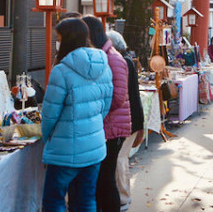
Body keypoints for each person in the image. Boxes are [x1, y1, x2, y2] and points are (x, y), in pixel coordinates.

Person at [42, 18, 113, 212]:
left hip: (65, 150)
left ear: (67, 39)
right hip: (95, 146)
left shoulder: (61, 71)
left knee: (53, 201)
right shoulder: (104, 67)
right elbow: (105, 107)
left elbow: (49, 115)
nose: (57, 41)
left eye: (58, 38)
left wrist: (47, 138)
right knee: (86, 200)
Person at [82, 16, 131, 212]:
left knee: (105, 180)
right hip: (107, 125)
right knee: (101, 180)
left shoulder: (112, 58)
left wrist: (92, 106)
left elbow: (118, 97)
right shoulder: (102, 55)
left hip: (111, 127)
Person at [106, 30, 145, 211]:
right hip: (132, 118)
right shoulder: (127, 60)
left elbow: (127, 95)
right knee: (121, 159)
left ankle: (123, 198)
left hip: (128, 119)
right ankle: (123, 196)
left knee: (121, 159)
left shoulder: (122, 62)